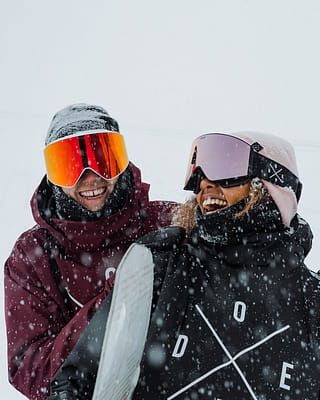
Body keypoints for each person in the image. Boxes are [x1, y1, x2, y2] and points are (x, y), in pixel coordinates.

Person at [4, 103, 176, 400]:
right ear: (52, 175)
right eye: (70, 165)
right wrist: (118, 297)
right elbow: (32, 371)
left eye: (103, 158)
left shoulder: (166, 224)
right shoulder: (32, 256)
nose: (90, 176)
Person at [131, 132, 320, 399]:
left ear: (270, 186)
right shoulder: (165, 264)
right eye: (199, 172)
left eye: (225, 166)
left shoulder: (311, 300)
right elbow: (82, 377)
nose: (205, 183)